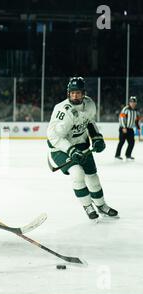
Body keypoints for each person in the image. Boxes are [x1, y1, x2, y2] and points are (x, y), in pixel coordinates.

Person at [47, 77, 118, 221]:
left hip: (82, 145)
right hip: (59, 148)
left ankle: (101, 205)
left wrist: (97, 137)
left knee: (93, 177)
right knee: (77, 173)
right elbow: (53, 137)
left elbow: (89, 122)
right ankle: (88, 205)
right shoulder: (62, 111)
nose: (75, 96)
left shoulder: (90, 104)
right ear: (68, 93)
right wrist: (70, 150)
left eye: (78, 93)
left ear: (83, 93)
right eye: (72, 93)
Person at [115, 96, 141, 160]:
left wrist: (138, 127)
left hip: (130, 129)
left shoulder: (136, 111)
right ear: (129, 102)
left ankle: (128, 155)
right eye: (131, 102)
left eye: (134, 102)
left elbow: (137, 120)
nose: (133, 103)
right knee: (121, 142)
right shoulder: (125, 109)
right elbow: (121, 118)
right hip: (123, 128)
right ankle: (117, 155)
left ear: (136, 103)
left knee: (132, 142)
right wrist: (124, 127)